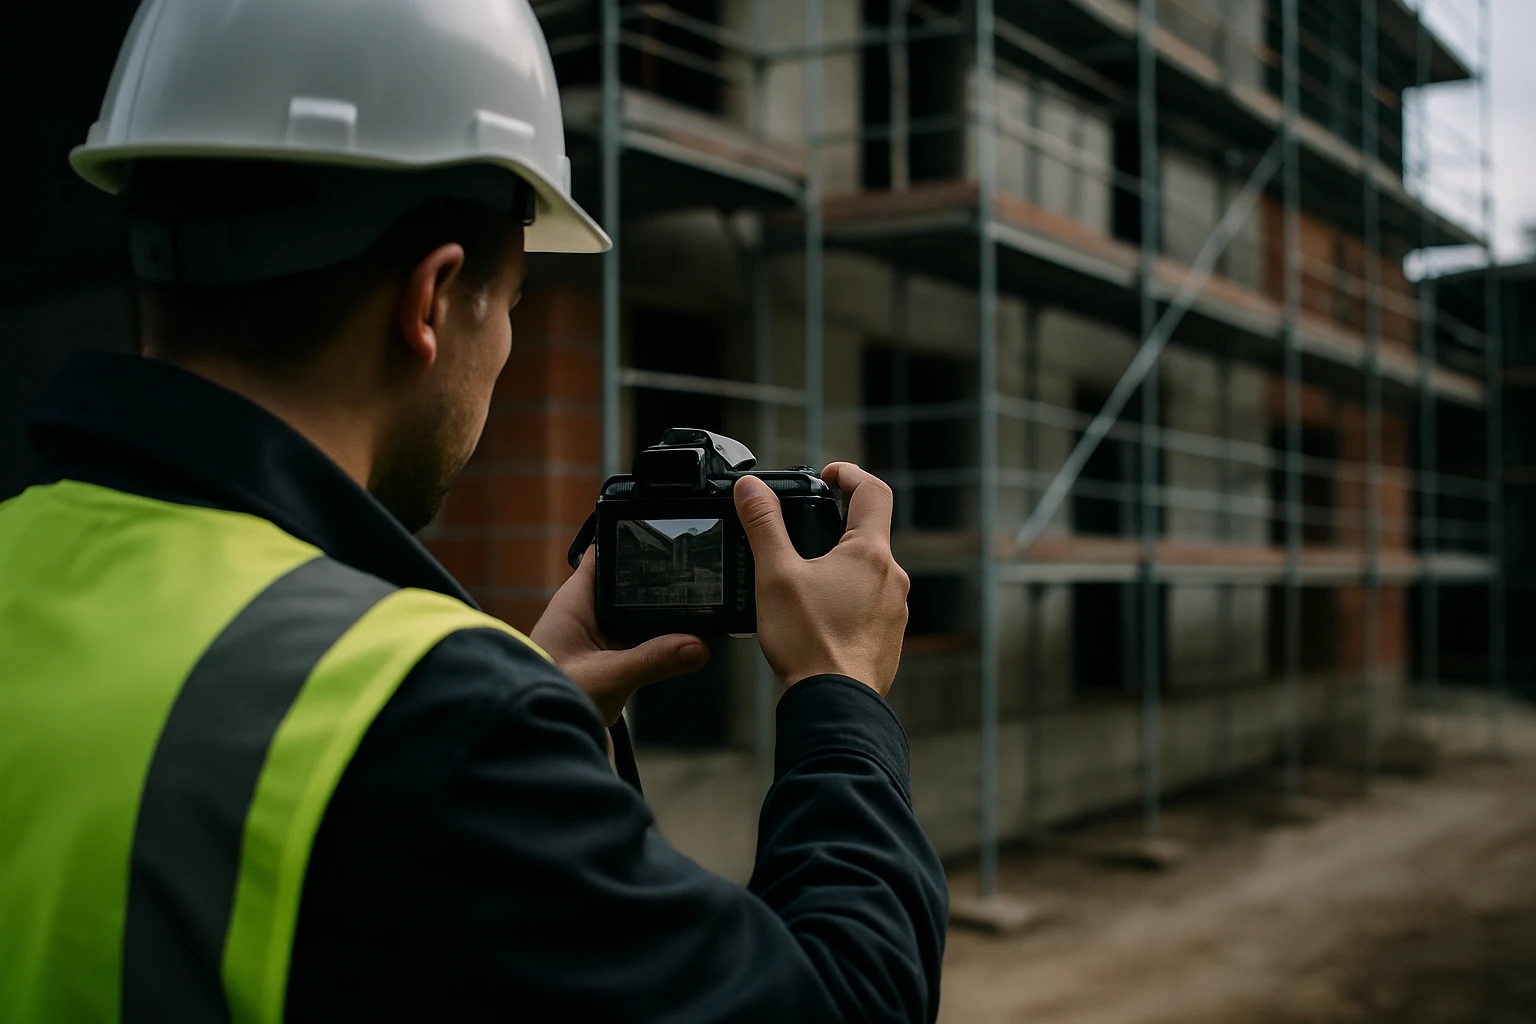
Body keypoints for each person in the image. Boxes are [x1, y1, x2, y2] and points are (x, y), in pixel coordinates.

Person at [0, 0, 947, 1021]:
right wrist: (841, 691)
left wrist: (541, 720)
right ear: (434, 300)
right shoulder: (431, 722)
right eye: (517, 303)